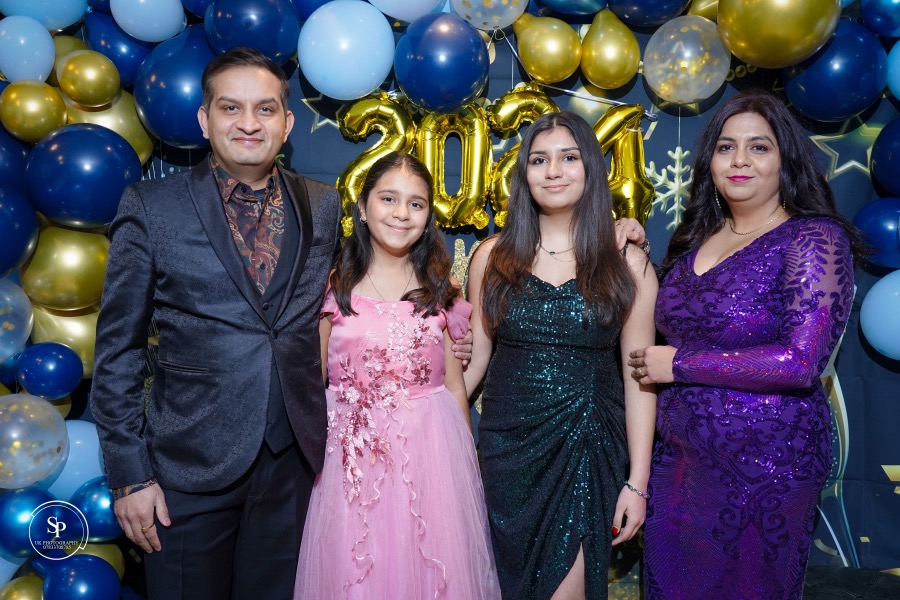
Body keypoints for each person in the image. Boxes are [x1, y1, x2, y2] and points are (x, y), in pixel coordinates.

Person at [89, 48, 473, 599]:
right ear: (204, 119)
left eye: (265, 109)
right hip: (189, 468)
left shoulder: (321, 204)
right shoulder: (153, 206)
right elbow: (118, 352)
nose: (249, 123)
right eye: (231, 108)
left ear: (287, 123)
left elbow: (355, 301)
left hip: (294, 466)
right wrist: (131, 476)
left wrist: (428, 343)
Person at [632, 89, 868, 599]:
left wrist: (680, 363)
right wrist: (633, 246)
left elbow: (801, 362)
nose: (739, 160)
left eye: (758, 147)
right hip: (679, 465)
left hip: (767, 465)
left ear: (786, 159)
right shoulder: (694, 241)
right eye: (726, 147)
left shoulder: (813, 238)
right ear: (710, 162)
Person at [464, 111, 659, 600]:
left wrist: (637, 482)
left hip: (586, 448)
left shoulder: (627, 261)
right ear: (524, 174)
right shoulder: (491, 257)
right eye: (539, 160)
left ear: (590, 167)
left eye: (569, 157)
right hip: (506, 455)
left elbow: (639, 379)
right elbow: (475, 363)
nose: (553, 171)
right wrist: (418, 422)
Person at [294, 152, 500, 599]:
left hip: (429, 457)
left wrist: (464, 468)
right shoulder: (333, 286)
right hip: (351, 461)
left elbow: (453, 386)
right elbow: (312, 381)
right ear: (363, 207)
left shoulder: (441, 289)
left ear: (427, 219)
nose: (402, 213)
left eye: (416, 203)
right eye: (388, 198)